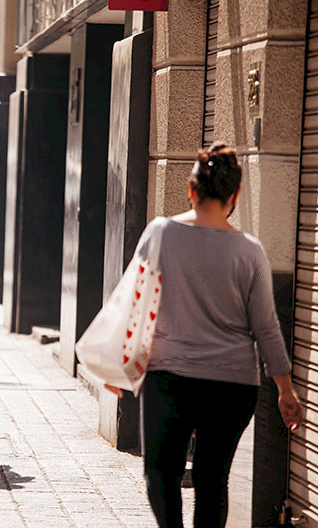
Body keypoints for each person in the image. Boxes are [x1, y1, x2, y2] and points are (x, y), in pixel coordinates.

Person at [106, 143, 303, 528]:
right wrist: (285, 389)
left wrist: (120, 366)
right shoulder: (249, 251)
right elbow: (265, 326)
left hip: (168, 377)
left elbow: (134, 301)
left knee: (161, 474)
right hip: (233, 385)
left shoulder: (160, 232)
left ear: (191, 190)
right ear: (235, 197)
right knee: (214, 479)